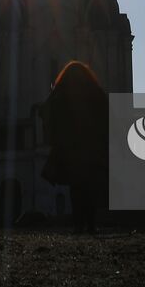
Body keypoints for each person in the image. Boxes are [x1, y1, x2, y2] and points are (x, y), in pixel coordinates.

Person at [40, 60, 109, 233]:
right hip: (90, 146)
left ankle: (79, 225)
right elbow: (106, 111)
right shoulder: (94, 91)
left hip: (70, 147)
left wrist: (55, 136)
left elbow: (44, 110)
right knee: (89, 186)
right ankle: (91, 225)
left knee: (76, 186)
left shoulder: (61, 92)